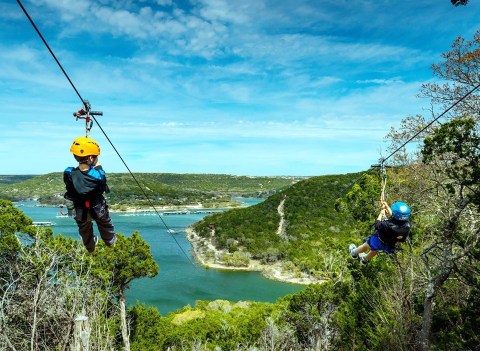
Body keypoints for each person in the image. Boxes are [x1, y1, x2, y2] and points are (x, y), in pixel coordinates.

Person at [64, 136, 116, 252]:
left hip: (80, 211)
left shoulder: (68, 172)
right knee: (105, 225)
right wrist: (95, 162)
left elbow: (73, 180)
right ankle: (110, 242)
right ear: (91, 157)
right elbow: (100, 175)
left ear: (75, 156)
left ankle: (90, 247)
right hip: (97, 209)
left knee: (84, 229)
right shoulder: (98, 175)